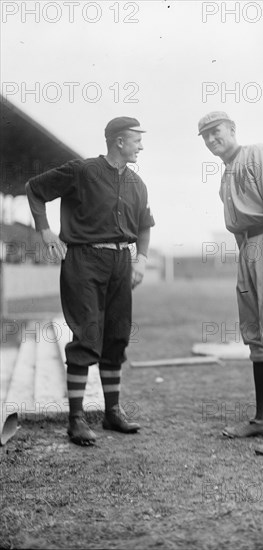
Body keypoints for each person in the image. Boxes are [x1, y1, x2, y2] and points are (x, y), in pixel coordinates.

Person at [26, 117, 155, 446]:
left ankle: (112, 413)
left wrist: (140, 259)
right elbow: (35, 189)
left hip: (120, 262)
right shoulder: (81, 171)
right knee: (86, 335)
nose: (141, 145)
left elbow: (144, 225)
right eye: (136, 140)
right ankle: (77, 419)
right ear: (119, 142)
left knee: (116, 335)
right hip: (84, 259)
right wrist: (44, 230)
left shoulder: (137, 184)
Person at [198, 111, 263, 455]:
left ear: (232, 129)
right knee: (255, 335)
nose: (212, 139)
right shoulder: (225, 176)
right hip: (248, 249)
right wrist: (247, 261)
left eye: (217, 131)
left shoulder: (258, 153)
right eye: (206, 136)